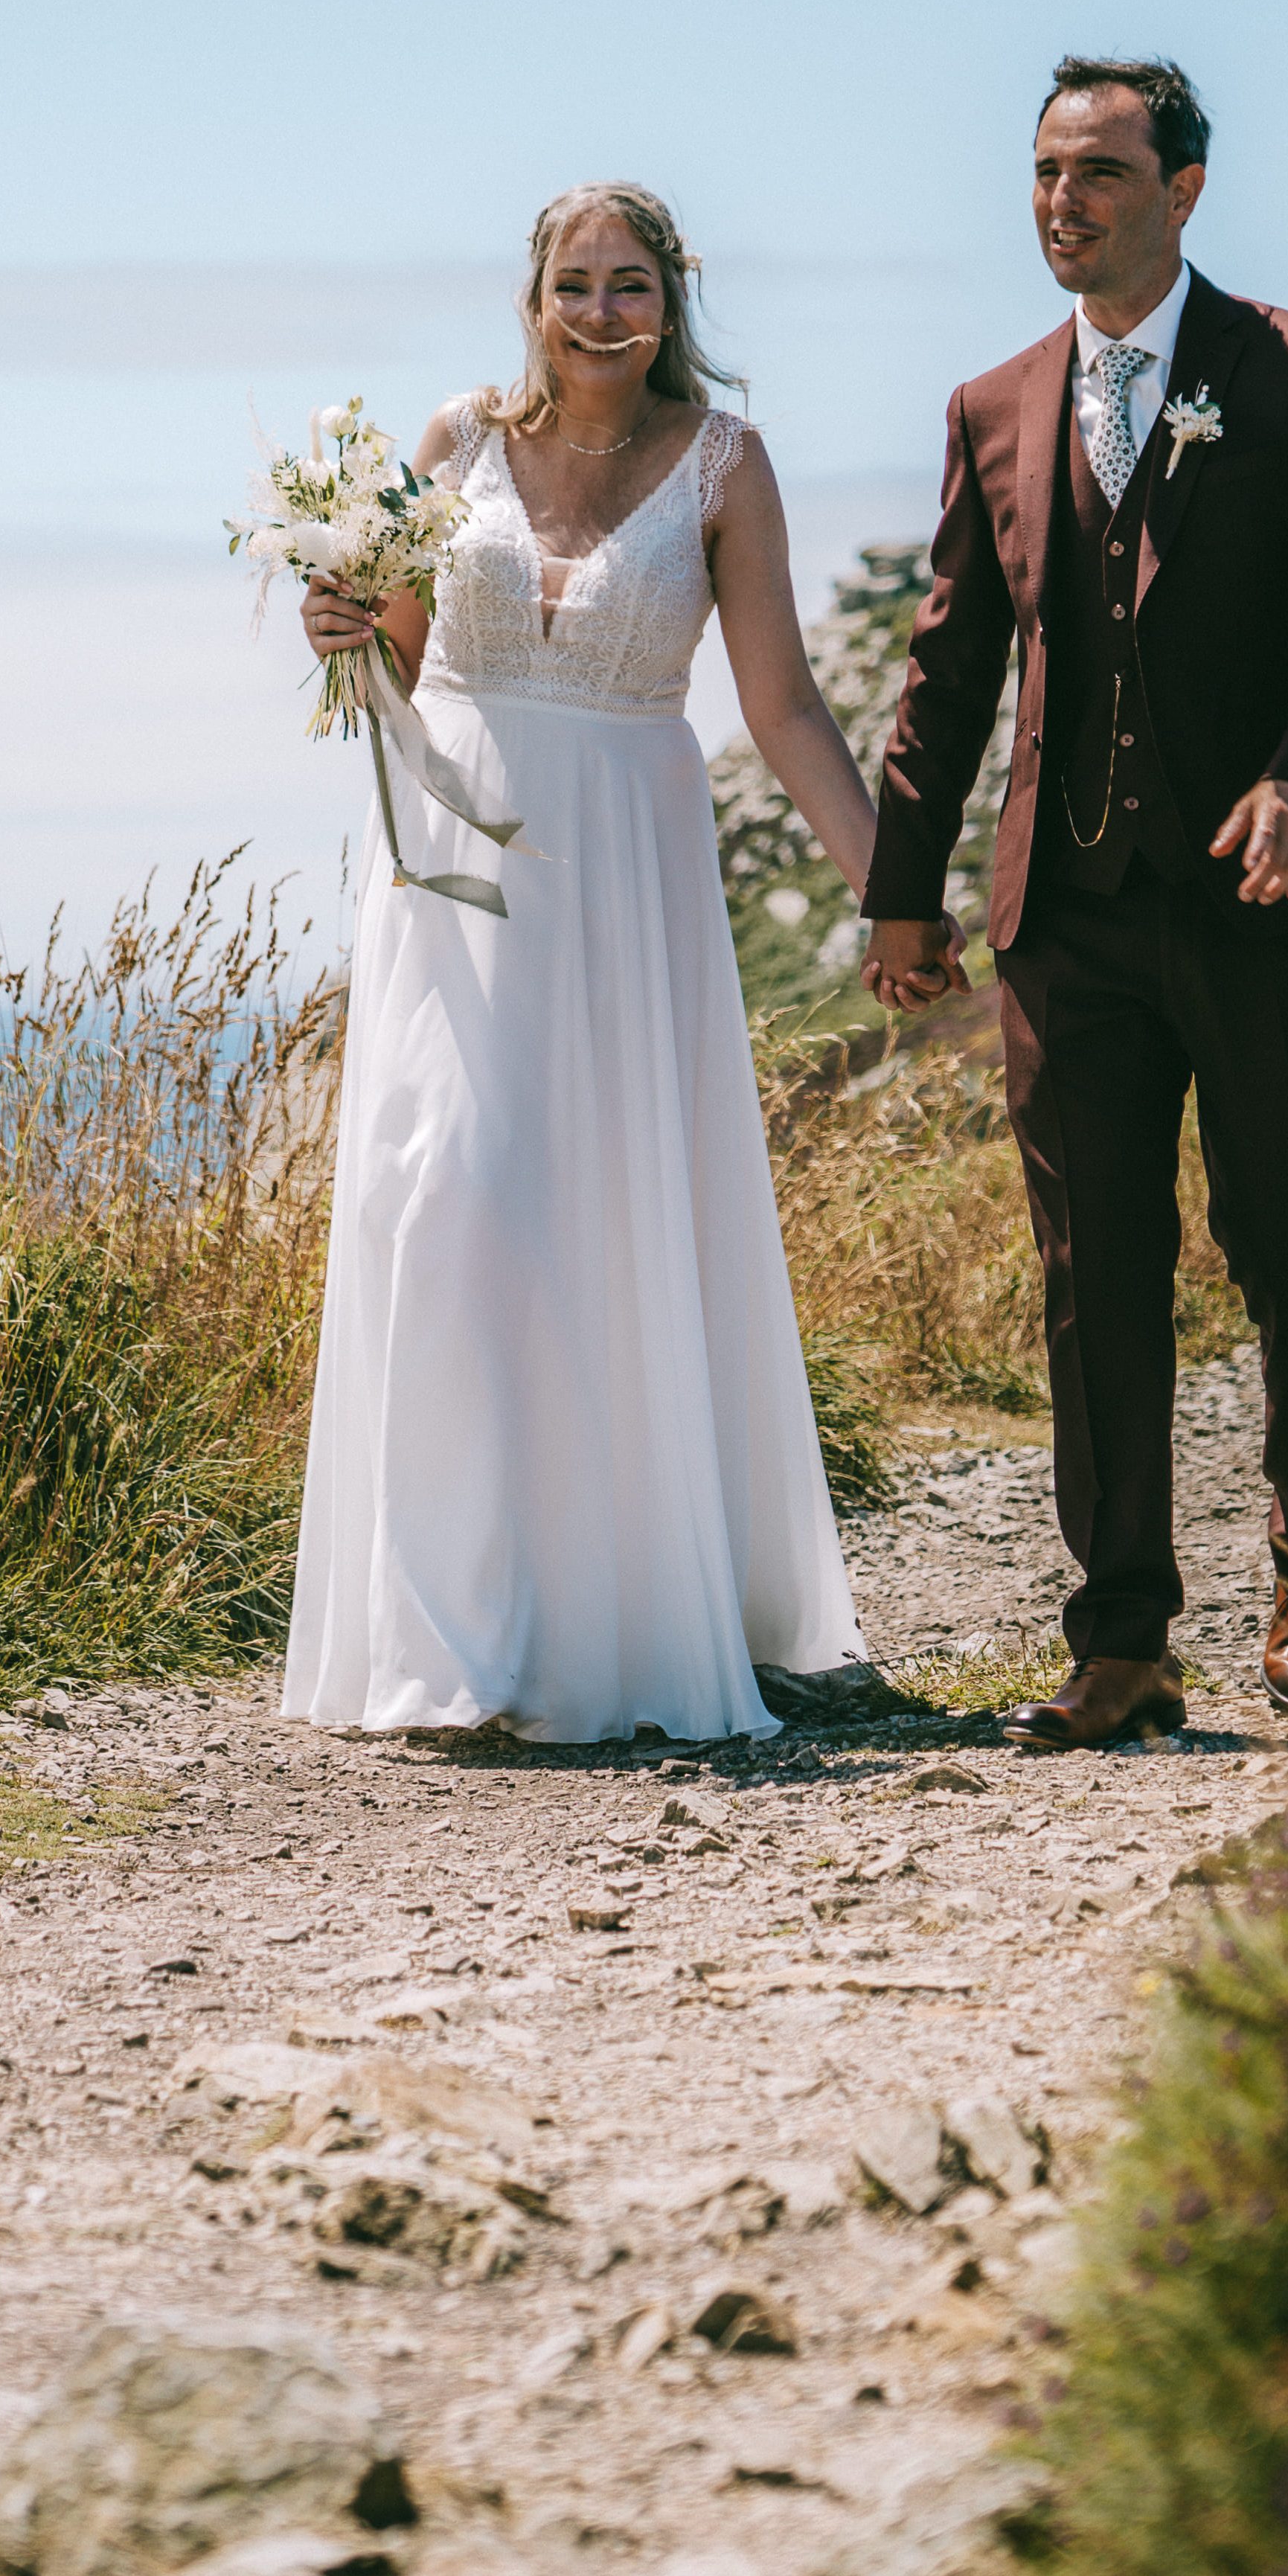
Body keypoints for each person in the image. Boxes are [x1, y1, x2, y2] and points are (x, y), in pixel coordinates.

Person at [282, 181, 931, 1743]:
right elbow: (408, 657)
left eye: (627, 283)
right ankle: (454, 1632)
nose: (598, 310)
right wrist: (336, 623)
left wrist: (892, 896)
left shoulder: (723, 465)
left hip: (628, 875)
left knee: (607, 1222)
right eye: (574, 282)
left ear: (670, 299)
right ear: (532, 295)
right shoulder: (452, 447)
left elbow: (778, 705)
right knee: (451, 1192)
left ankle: (607, 1616)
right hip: (459, 874)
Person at [859, 58, 1288, 1752]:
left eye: (1099, 170)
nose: (1062, 199)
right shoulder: (990, 405)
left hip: (1267, 900)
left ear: (1183, 189)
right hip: (1068, 914)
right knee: (1091, 1267)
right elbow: (948, 663)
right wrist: (905, 895)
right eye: (1043, 170)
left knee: (1286, 1239)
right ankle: (1120, 1643)